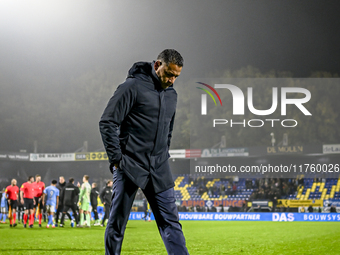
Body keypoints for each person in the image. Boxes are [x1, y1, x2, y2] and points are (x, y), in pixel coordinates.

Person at [99, 49, 189, 255]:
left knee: (171, 223)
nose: (172, 80)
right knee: (117, 224)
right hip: (130, 164)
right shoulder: (132, 86)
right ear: (157, 65)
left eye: (176, 76)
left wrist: (163, 154)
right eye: (169, 74)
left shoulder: (172, 95)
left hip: (159, 167)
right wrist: (117, 160)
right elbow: (107, 122)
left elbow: (168, 130)